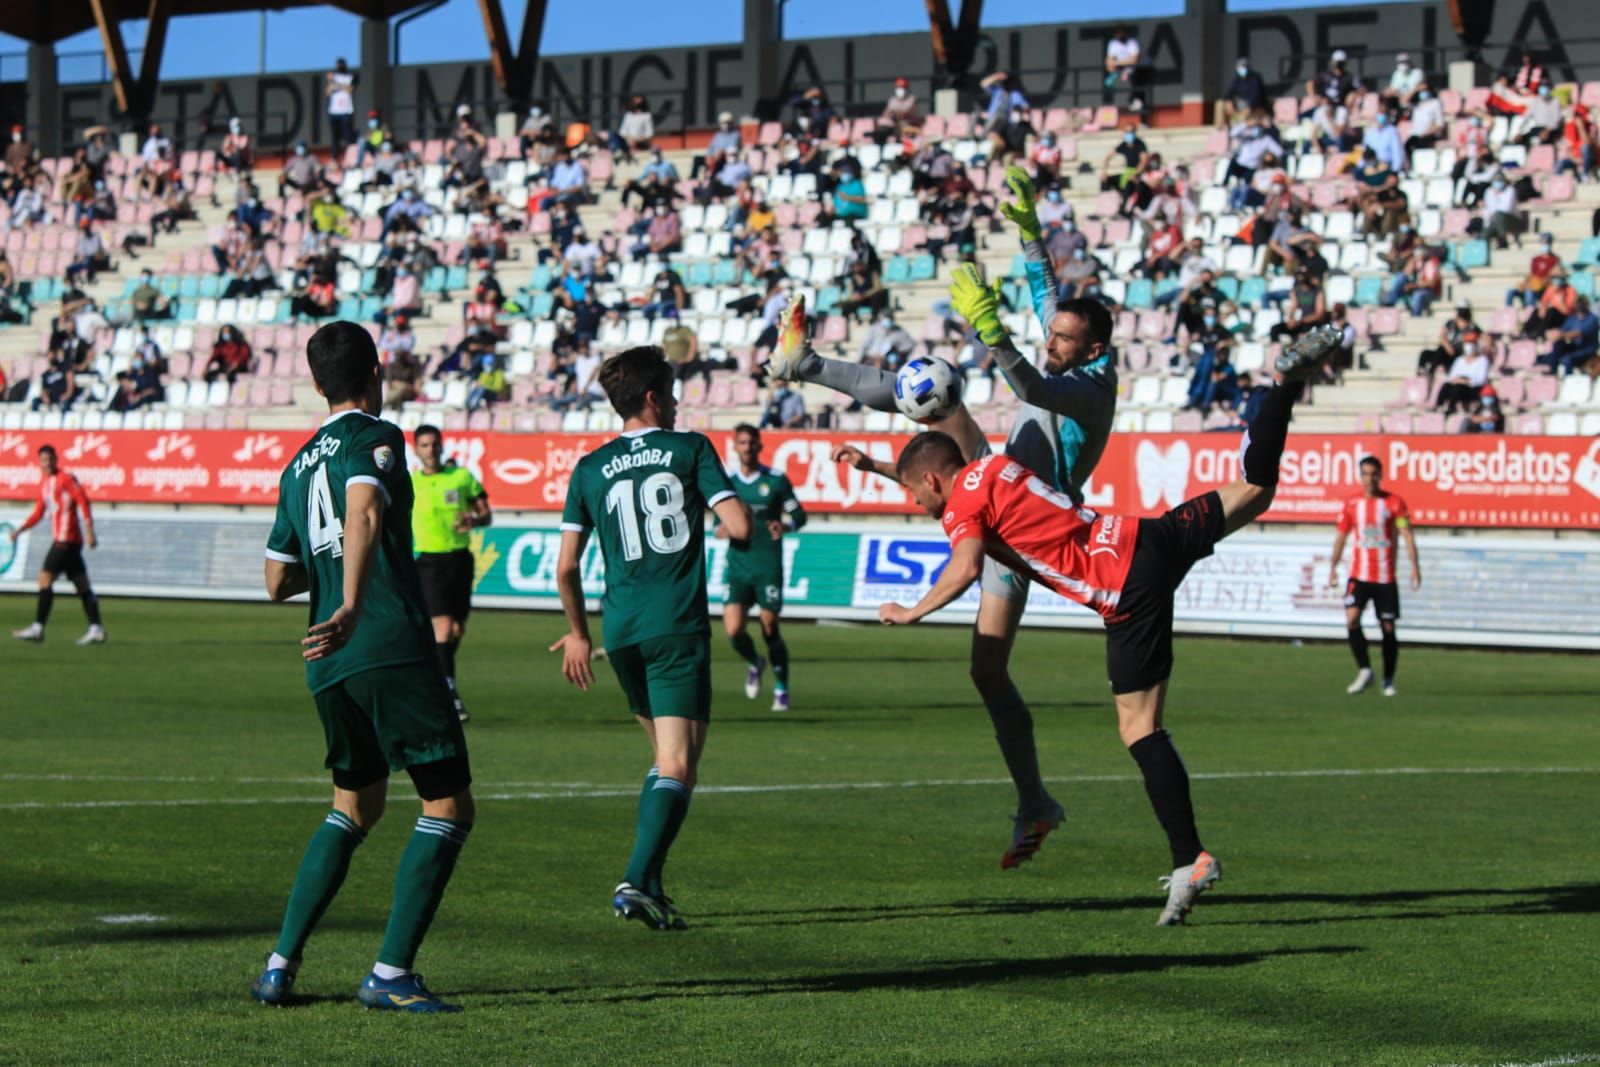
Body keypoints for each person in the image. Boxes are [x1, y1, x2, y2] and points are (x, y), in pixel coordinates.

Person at [878, 320, 1339, 924]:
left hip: (1123, 590)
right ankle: (1282, 387)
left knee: (1140, 730)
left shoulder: (961, 504)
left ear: (935, 482)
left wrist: (911, 609)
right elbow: (946, 478)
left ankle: (1190, 858)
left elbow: (964, 566)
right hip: (1146, 535)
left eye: (917, 498)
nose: (921, 507)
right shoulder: (992, 470)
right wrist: (878, 469)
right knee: (1254, 489)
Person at [782, 168, 1119, 869]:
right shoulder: (1072, 343)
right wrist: (1029, 227)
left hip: (1025, 523)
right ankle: (805, 359)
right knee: (925, 394)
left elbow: (1028, 382)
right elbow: (1044, 291)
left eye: (1061, 338)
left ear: (1091, 350)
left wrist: (993, 332)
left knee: (932, 396)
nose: (1050, 339)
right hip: (999, 486)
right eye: (1049, 334)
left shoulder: (1088, 389)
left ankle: (1036, 801)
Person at [255, 321, 475, 1013]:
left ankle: (279, 962)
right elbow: (364, 512)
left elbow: (272, 580)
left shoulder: (295, 466)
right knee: (448, 802)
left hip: (328, 659)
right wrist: (352, 596)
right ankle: (390, 972)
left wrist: (326, 585)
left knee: (355, 804)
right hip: (382, 638)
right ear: (376, 372)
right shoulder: (374, 437)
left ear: (318, 384)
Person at [551, 345, 751, 931]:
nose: (677, 400)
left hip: (621, 632)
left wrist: (577, 634)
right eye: (671, 389)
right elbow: (737, 526)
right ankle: (635, 880)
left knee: (666, 761)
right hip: (676, 625)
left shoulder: (589, 468)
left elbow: (566, 567)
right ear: (652, 397)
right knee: (679, 763)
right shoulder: (690, 448)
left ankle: (653, 887)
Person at [718, 424, 807, 712]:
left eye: (751, 442)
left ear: (759, 446)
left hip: (767, 564)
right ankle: (755, 662)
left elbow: (799, 515)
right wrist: (720, 529)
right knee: (733, 631)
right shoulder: (726, 483)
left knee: (769, 627)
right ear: (735, 446)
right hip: (737, 565)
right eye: (741, 442)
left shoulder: (776, 481)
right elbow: (716, 521)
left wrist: (787, 525)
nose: (747, 447)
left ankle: (782, 688)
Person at [410, 425, 491, 723]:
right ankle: (450, 696)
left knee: (456, 630)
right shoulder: (410, 482)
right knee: (442, 628)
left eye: (434, 445)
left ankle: (430, 676)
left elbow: (486, 513)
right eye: (424, 445)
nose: (430, 450)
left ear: (442, 446)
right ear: (416, 450)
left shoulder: (461, 477)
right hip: (428, 561)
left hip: (460, 560)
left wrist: (473, 518)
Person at [1328, 456, 1421, 698]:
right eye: (1365, 474)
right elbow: (1341, 536)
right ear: (1360, 476)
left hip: (1384, 576)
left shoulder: (1393, 503)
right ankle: (1365, 670)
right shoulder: (1351, 503)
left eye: (1373, 474)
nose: (1369, 479)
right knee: (1351, 619)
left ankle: (1388, 679)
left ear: (1380, 475)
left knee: (1388, 627)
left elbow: (1407, 534)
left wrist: (1414, 567)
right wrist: (1333, 567)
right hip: (1358, 575)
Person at [10, 444, 105, 645]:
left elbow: (83, 500)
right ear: (39, 462)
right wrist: (20, 530)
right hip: (69, 543)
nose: (47, 463)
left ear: (56, 459)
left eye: (50, 459)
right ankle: (96, 628)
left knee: (44, 579)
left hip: (66, 540)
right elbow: (38, 513)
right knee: (82, 585)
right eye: (43, 460)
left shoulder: (66, 479)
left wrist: (89, 530)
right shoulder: (46, 484)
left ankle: (38, 628)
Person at [1216, 58, 1267, 128]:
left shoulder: (1255, 78)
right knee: (1219, 103)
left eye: (1243, 67)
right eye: (1239, 67)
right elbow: (1228, 94)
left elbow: (1256, 97)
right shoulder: (1237, 80)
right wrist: (1228, 101)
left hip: (1254, 108)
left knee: (1242, 117)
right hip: (1239, 108)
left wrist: (1249, 107)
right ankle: (1219, 128)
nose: (1241, 69)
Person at [326, 59, 357, 155]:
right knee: (335, 137)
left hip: (346, 111)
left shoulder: (351, 76)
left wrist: (337, 84)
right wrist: (331, 81)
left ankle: (350, 156)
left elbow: (351, 89)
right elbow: (328, 92)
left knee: (347, 136)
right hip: (334, 111)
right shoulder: (333, 77)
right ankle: (335, 157)